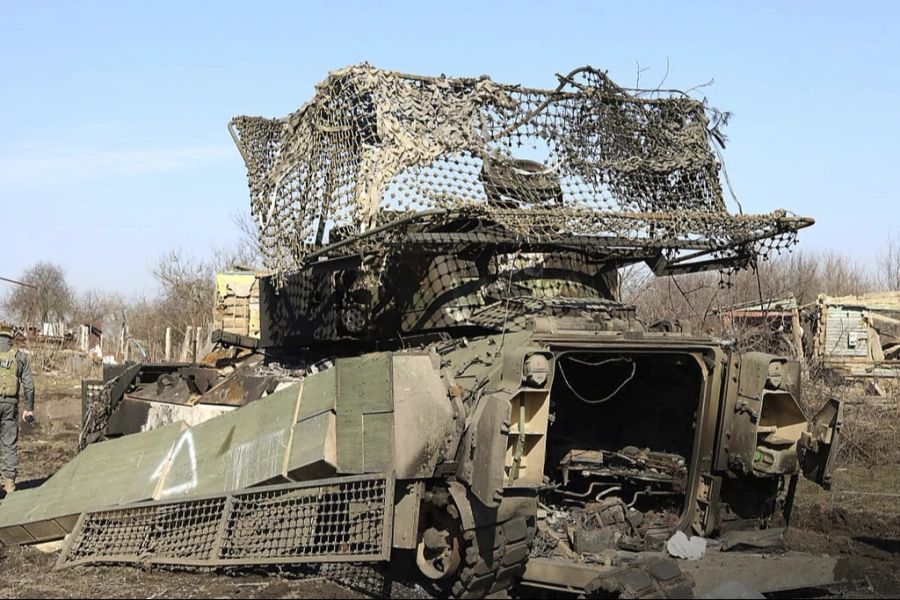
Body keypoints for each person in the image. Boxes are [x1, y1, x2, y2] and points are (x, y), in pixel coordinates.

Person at [0, 324, 34, 494]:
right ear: (11, 338)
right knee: (9, 444)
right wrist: (29, 408)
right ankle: (10, 486)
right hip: (10, 405)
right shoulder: (18, 356)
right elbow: (29, 385)